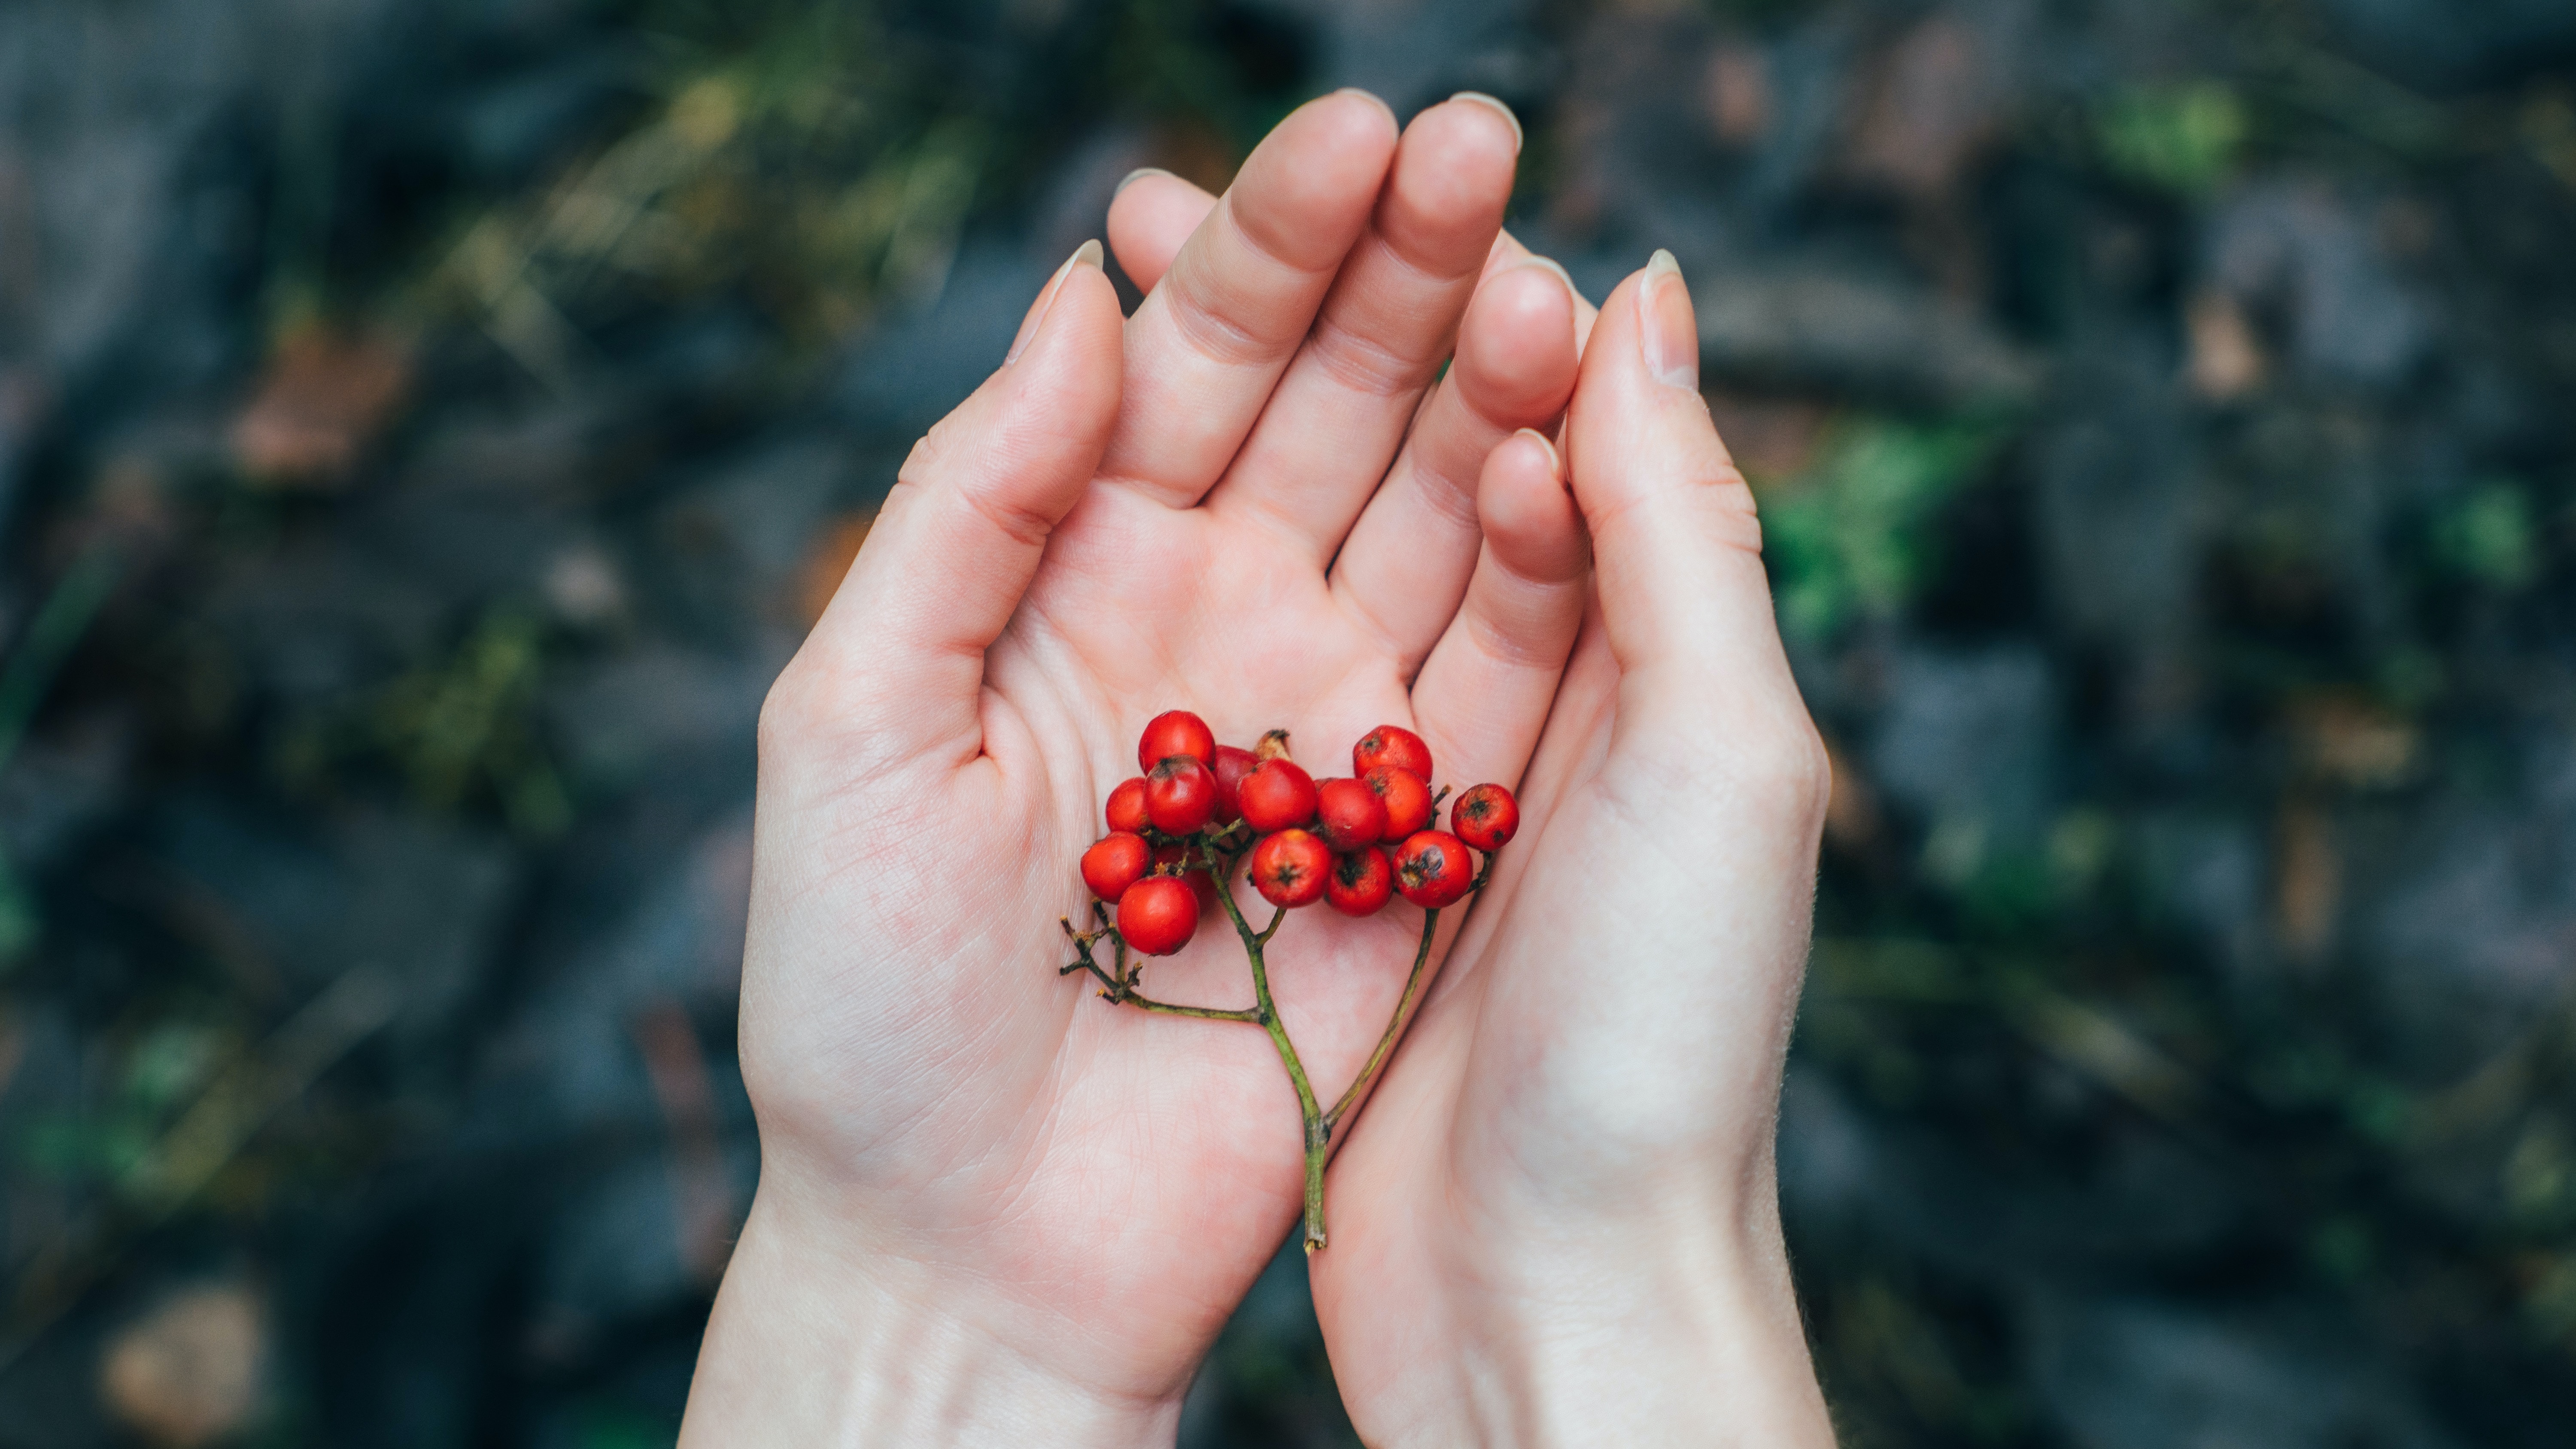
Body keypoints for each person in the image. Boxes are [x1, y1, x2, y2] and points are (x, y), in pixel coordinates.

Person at [677, 89, 1838, 1446]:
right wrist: (1599, 1305)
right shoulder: (1238, 863)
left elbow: (1254, 842)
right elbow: (1230, 847)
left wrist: (914, 1307)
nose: (1226, 834)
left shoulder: (1270, 857)